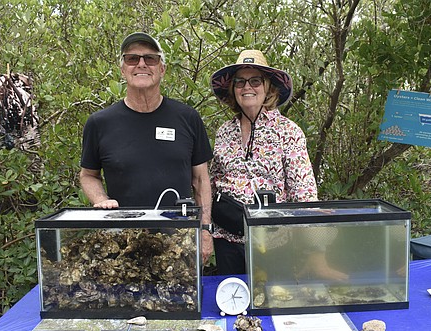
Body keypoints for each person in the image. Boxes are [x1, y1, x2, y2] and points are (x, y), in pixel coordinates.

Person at [210, 50, 346, 281]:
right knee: (231, 305)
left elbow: (304, 194)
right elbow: (213, 182)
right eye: (240, 82)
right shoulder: (224, 132)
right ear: (233, 89)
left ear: (268, 88)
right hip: (226, 240)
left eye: (255, 81)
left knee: (273, 302)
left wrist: (315, 251)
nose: (247, 87)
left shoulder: (288, 131)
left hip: (273, 242)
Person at [79, 32, 214, 263]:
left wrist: (205, 230)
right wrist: (100, 199)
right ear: (123, 69)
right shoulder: (99, 123)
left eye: (150, 58)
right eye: (132, 59)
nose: (141, 64)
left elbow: (201, 180)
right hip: (122, 243)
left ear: (162, 68)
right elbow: (88, 176)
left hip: (179, 241)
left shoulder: (188, 118)